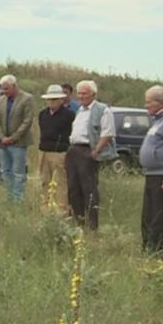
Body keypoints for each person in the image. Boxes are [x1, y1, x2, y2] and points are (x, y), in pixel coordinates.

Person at [65, 80, 117, 230]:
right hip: (74, 150)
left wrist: (95, 152)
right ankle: (78, 222)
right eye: (79, 93)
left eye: (84, 93)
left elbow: (108, 133)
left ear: (93, 94)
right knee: (73, 188)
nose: (81, 96)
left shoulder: (102, 110)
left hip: (88, 151)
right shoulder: (79, 110)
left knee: (89, 189)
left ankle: (92, 226)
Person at [0, 75, 35, 201]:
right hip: (3, 143)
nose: (4, 92)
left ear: (14, 86)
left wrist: (13, 137)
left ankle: (18, 199)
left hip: (18, 143)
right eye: (2, 89)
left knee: (18, 173)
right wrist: (1, 137)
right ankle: (9, 197)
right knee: (5, 171)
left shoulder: (27, 99)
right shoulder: (1, 100)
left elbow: (27, 121)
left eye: (6, 89)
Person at [37, 84, 76, 214]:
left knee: (60, 182)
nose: (51, 102)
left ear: (61, 100)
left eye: (54, 99)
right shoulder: (42, 114)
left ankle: (62, 209)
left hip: (60, 152)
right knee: (44, 180)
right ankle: (45, 207)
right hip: (44, 151)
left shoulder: (69, 115)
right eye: (49, 99)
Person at [139, 85, 163, 256]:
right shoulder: (158, 121)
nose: (146, 105)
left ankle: (158, 252)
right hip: (151, 175)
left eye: (148, 102)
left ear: (161, 102)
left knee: (159, 216)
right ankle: (148, 248)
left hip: (161, 176)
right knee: (148, 215)